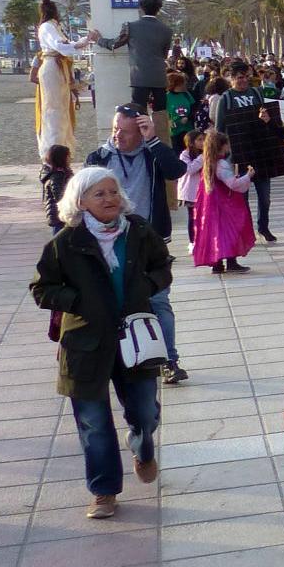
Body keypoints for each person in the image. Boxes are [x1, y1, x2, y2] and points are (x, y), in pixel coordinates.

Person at [30, 167, 172, 519]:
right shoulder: (65, 242)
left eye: (112, 192)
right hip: (85, 345)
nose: (109, 199)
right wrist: (76, 301)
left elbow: (163, 265)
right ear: (80, 202)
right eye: (99, 194)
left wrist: (146, 286)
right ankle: (104, 491)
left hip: (134, 338)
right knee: (93, 423)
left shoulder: (137, 231)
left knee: (145, 412)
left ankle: (142, 446)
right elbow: (41, 288)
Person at [84, 106, 188, 384]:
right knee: (114, 302)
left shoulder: (152, 155)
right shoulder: (98, 159)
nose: (118, 135)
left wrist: (153, 140)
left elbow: (177, 170)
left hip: (150, 243)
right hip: (111, 243)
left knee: (159, 301)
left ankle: (169, 360)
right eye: (115, 128)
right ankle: (120, 359)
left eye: (126, 132)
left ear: (141, 132)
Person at [210, 60, 281, 243]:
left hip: (260, 152)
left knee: (265, 197)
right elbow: (219, 129)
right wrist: (223, 156)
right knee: (243, 197)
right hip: (239, 155)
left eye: (246, 77)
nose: (243, 81)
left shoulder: (257, 93)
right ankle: (246, 230)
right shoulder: (225, 99)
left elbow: (267, 117)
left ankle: (263, 227)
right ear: (232, 79)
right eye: (239, 78)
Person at [34, 0, 93, 158]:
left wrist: (85, 41)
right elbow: (61, 46)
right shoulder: (47, 27)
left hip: (58, 69)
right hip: (52, 67)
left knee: (61, 109)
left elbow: (66, 45)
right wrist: (83, 43)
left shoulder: (53, 27)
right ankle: (53, 150)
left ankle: (61, 148)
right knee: (52, 110)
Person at [97, 0, 175, 111]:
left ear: (141, 8)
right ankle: (160, 130)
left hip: (140, 77)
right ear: (158, 9)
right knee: (160, 112)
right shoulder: (167, 30)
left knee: (138, 111)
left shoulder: (131, 27)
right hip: (159, 77)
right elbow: (164, 54)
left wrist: (99, 39)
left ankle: (142, 129)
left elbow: (114, 44)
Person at [192, 131, 256, 274]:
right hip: (224, 204)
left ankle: (217, 263)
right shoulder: (221, 164)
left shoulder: (208, 162)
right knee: (230, 231)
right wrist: (248, 176)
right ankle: (231, 261)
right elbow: (232, 184)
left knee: (216, 233)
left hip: (210, 205)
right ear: (222, 146)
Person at [176, 131, 206, 248]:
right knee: (192, 217)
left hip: (204, 190)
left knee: (204, 216)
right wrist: (202, 158)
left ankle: (203, 240)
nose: (202, 142)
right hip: (190, 191)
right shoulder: (185, 154)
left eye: (203, 140)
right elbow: (189, 169)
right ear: (192, 142)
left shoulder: (205, 153)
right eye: (199, 140)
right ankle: (192, 242)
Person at [40, 145, 74, 233]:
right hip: (59, 215)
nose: (70, 158)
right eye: (68, 156)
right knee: (60, 239)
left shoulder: (62, 173)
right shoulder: (57, 176)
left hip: (60, 214)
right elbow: (59, 196)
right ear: (61, 158)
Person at [165, 70, 199, 142]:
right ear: (175, 84)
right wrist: (168, 121)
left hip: (188, 129)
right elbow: (163, 112)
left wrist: (188, 117)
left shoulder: (186, 94)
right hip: (175, 131)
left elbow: (194, 108)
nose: (185, 84)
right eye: (182, 83)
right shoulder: (166, 97)